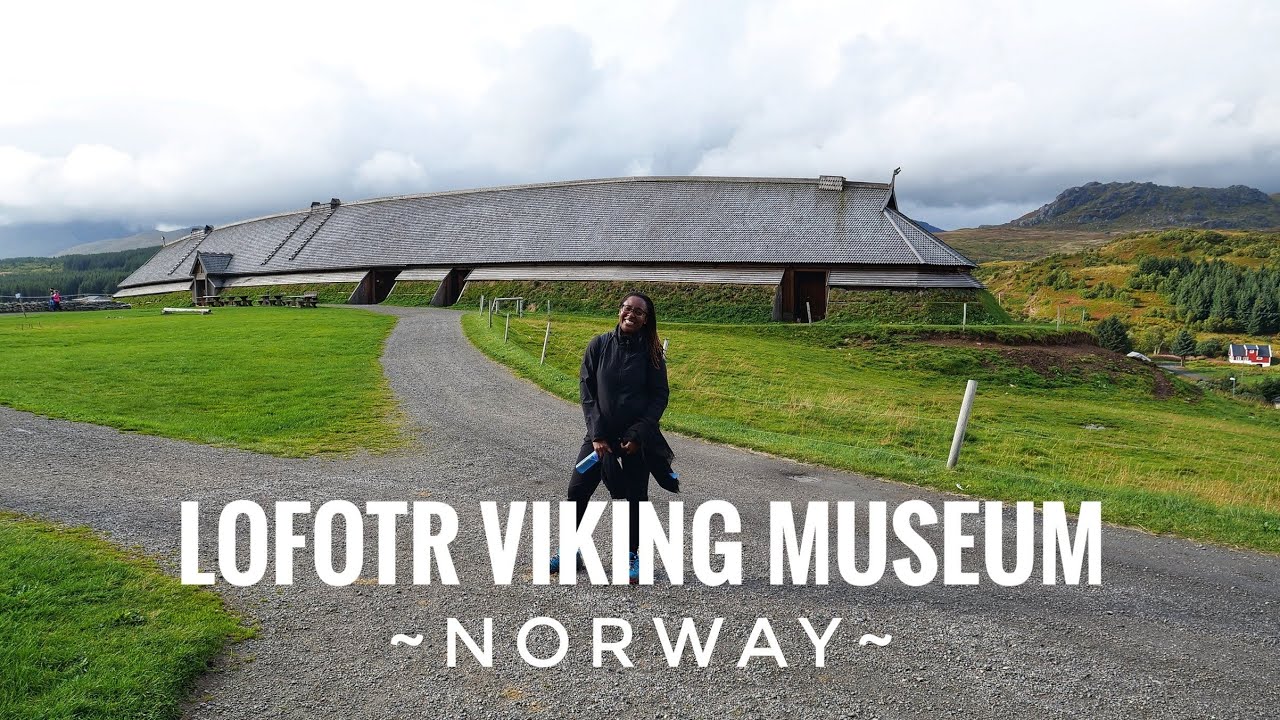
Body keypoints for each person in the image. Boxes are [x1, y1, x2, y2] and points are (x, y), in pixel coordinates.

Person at [554, 292, 670, 583]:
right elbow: (587, 390)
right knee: (577, 490)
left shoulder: (653, 354)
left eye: (639, 312)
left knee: (635, 497)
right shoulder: (599, 345)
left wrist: (638, 434)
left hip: (634, 440)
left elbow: (659, 397)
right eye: (627, 309)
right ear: (619, 311)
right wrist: (597, 434)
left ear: (646, 320)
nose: (631, 315)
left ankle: (632, 555)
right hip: (599, 437)